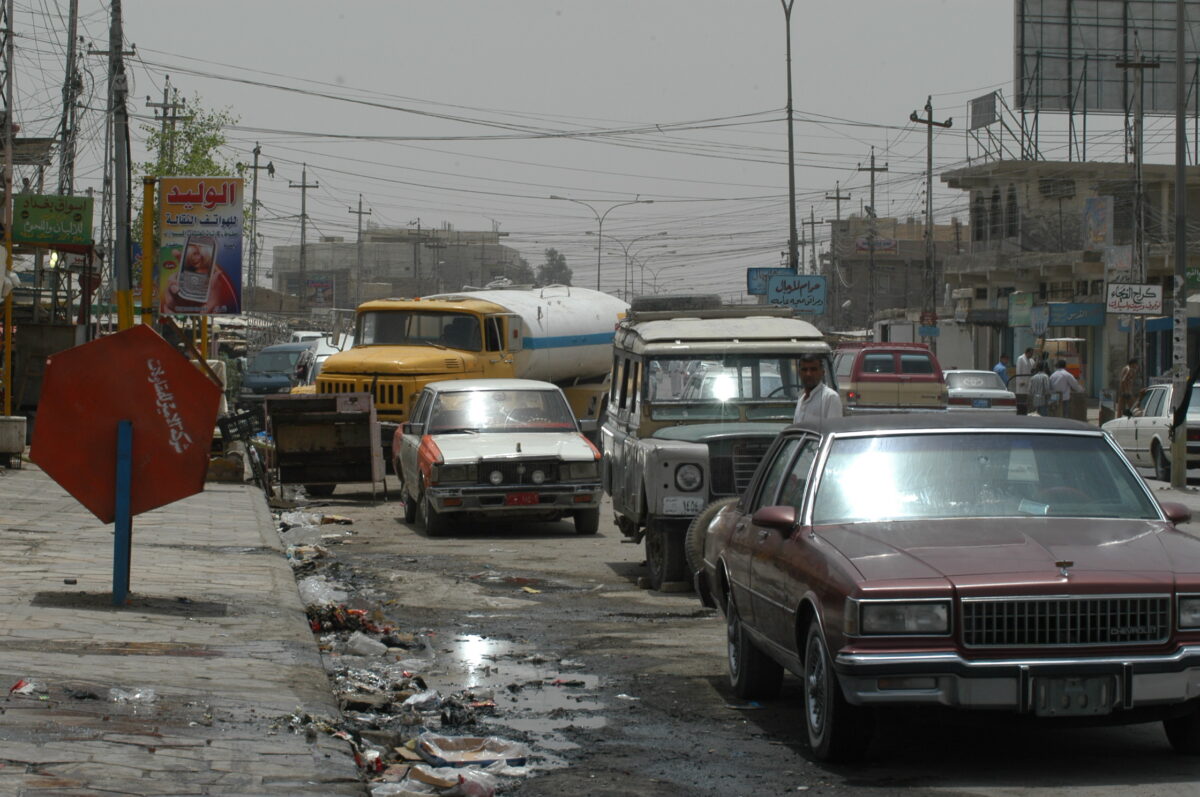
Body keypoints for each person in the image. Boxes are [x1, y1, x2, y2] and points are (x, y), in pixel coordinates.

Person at [793, 354, 843, 423]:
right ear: (799, 373)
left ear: (822, 372)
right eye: (804, 370)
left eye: (813, 369)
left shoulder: (830, 397)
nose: (808, 374)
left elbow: (833, 430)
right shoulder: (801, 398)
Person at [1013, 347, 1036, 414]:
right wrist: (1020, 381)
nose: (1031, 355)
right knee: (1021, 398)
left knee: (1027, 398)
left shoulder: (1031, 360)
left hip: (1029, 381)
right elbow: (1018, 371)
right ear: (1027, 352)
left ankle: (1027, 411)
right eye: (1031, 353)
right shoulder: (1021, 358)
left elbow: (1033, 368)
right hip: (1022, 383)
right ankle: (1021, 411)